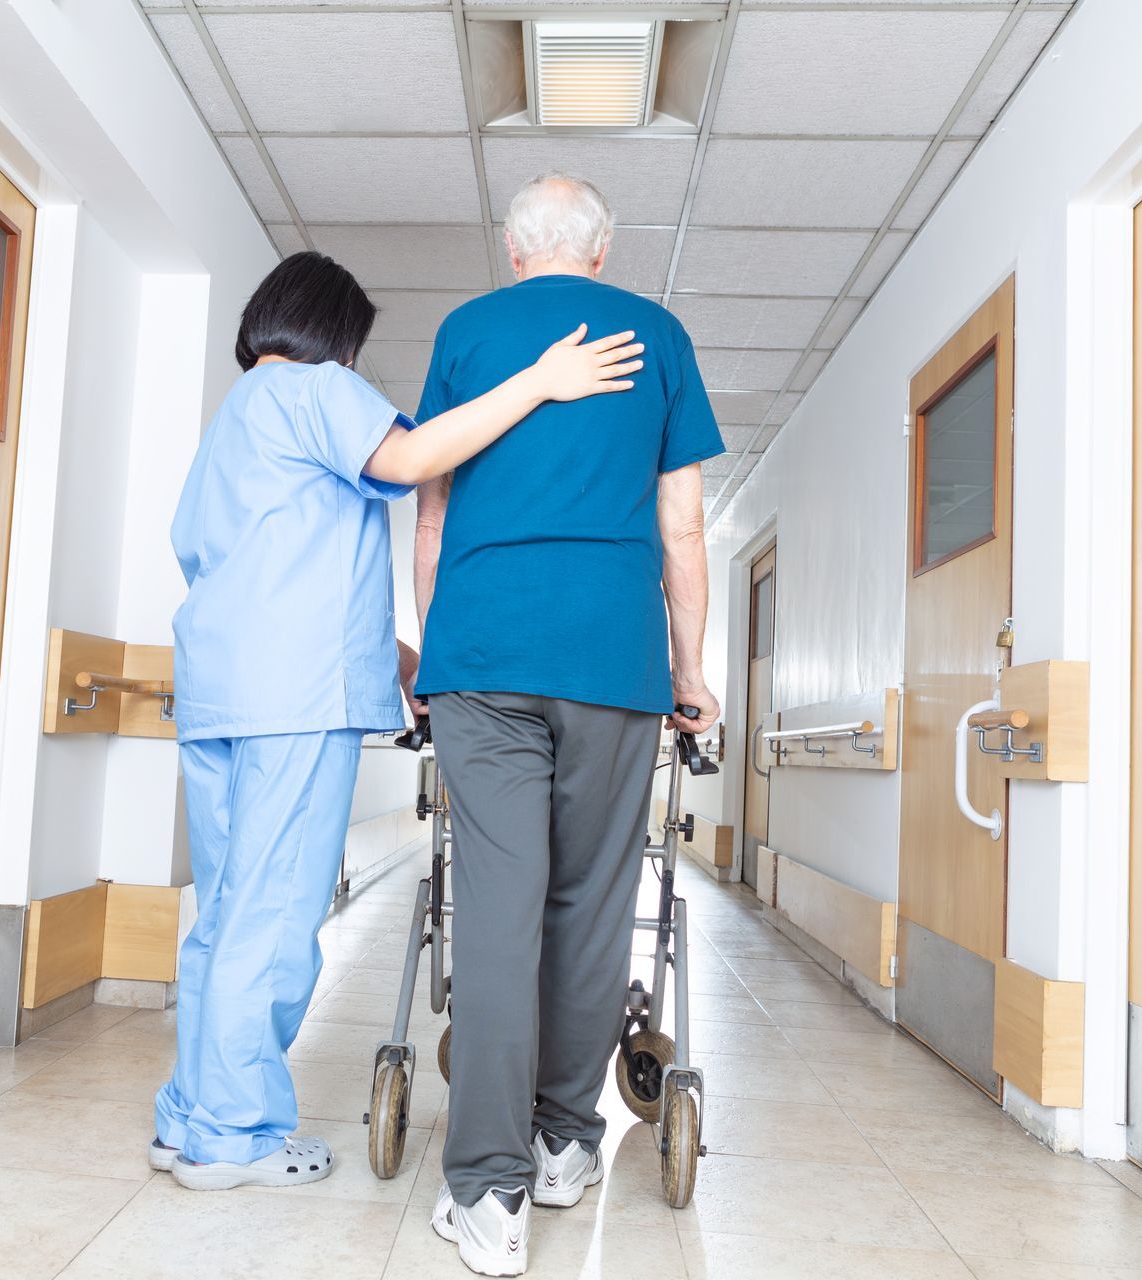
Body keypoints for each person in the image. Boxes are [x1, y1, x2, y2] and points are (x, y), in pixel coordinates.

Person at [154, 249, 645, 1192]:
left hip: (222, 689)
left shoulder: (233, 421)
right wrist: (541, 380)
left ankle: (187, 1116)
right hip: (293, 702)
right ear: (333, 331)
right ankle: (234, 1135)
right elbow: (416, 459)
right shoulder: (316, 387)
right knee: (274, 917)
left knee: (221, 918)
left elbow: (272, 569)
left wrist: (405, 661)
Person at [412, 174, 723, 1276]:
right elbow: (682, 526)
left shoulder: (465, 329)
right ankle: (563, 1143)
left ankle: (486, 1195)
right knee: (592, 905)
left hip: (485, 655)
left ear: (511, 249)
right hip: (611, 656)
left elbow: (434, 503)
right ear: (602, 252)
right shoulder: (659, 333)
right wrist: (690, 669)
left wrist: (432, 643)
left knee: (494, 909)